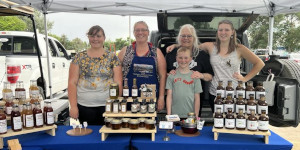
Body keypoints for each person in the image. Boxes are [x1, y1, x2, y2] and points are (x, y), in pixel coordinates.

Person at [167, 20, 265, 112]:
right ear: (217, 32)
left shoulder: (240, 48)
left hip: (236, 91)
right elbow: (190, 45)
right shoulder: (210, 46)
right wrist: (176, 46)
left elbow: (260, 63)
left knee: (235, 120)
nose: (223, 32)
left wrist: (244, 79)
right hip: (215, 92)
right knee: (218, 121)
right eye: (220, 30)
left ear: (232, 32)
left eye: (226, 30)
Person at [68, 25, 122, 125]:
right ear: (88, 38)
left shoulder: (113, 57)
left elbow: (118, 82)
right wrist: (73, 107)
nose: (95, 39)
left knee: (107, 136)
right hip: (84, 106)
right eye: (92, 36)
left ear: (104, 38)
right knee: (89, 136)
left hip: (108, 106)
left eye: (98, 36)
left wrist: (117, 104)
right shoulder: (79, 57)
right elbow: (72, 82)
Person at [165, 24, 213, 117]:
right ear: (179, 37)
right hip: (174, 104)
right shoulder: (171, 53)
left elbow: (211, 75)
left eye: (189, 36)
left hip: (194, 103)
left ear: (194, 38)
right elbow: (162, 74)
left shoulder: (201, 54)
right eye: (183, 36)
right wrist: (169, 74)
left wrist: (201, 75)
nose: (186, 38)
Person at [118, 21, 166, 111]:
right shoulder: (125, 51)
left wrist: (161, 97)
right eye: (137, 30)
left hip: (150, 98)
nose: (140, 33)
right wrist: (118, 97)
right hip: (128, 98)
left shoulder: (156, 52)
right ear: (134, 33)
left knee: (148, 124)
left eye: (143, 30)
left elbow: (163, 76)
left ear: (148, 32)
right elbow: (116, 73)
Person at [166, 47, 202, 118]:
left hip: (190, 115)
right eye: (180, 58)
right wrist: (169, 115)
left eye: (186, 58)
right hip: (174, 115)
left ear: (191, 58)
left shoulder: (195, 77)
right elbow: (169, 96)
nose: (183, 60)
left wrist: (196, 115)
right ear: (176, 58)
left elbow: (197, 98)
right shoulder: (171, 76)